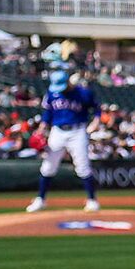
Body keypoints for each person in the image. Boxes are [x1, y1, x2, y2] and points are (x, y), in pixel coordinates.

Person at [28, 56, 101, 213]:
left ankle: (92, 200)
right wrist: (42, 128)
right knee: (48, 167)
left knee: (82, 167)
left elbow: (96, 108)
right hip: (57, 131)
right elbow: (47, 114)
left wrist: (96, 122)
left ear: (68, 81)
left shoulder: (83, 93)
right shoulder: (52, 94)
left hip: (78, 131)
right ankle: (40, 199)